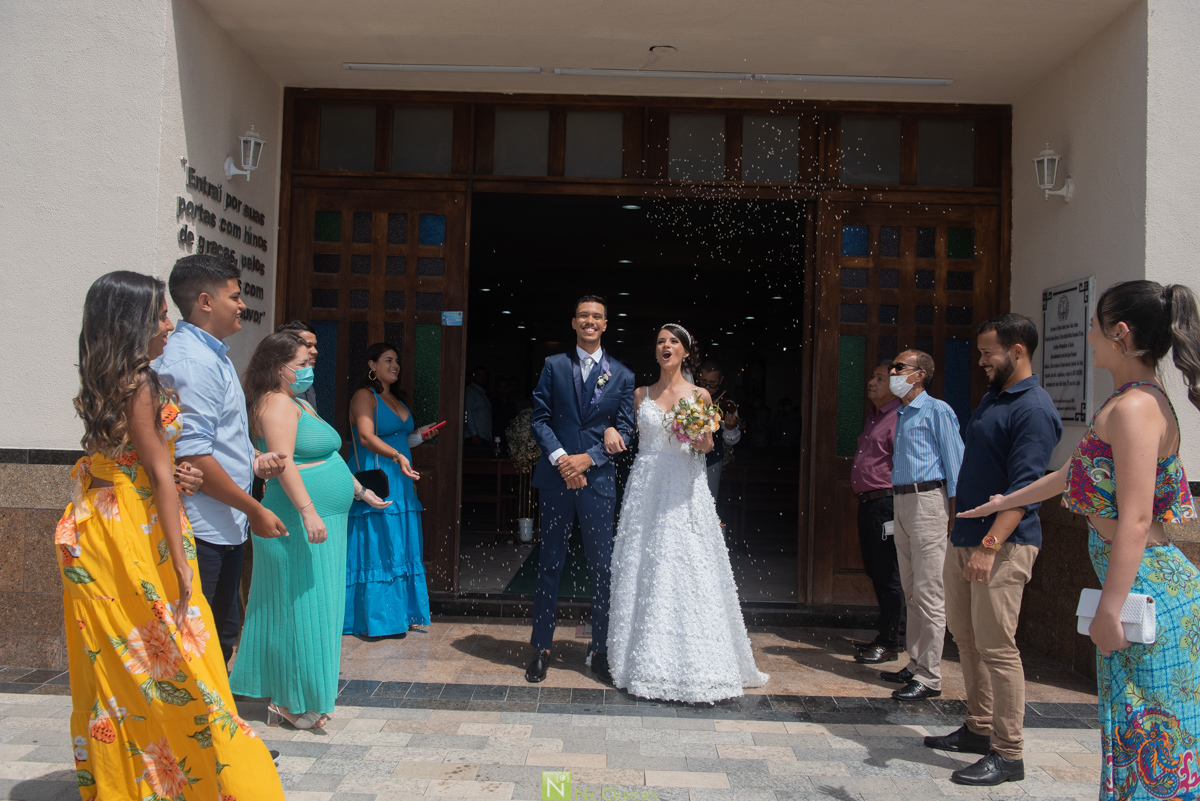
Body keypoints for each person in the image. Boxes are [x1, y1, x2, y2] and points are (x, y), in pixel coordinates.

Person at [959, 281, 1200, 800]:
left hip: (1149, 588)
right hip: (1140, 582)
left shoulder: (1136, 409)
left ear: (1121, 333)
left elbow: (1135, 520)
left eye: (1094, 327)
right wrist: (1000, 503)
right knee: (1129, 726)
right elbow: (1071, 474)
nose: (1088, 338)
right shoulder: (1125, 402)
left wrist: (1110, 609)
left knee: (1151, 733)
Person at [59, 271, 284, 800]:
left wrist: (170, 475)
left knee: (116, 658)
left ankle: (135, 776)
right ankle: (201, 769)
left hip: (97, 524)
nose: (168, 323)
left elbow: (133, 460)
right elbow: (160, 472)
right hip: (133, 532)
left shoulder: (103, 377)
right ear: (132, 322)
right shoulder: (141, 382)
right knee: (178, 652)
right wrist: (182, 562)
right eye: (160, 315)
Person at [926, 314, 1062, 786]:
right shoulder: (994, 399)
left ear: (1018, 351)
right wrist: (961, 534)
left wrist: (988, 545)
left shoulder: (1034, 409)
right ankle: (979, 728)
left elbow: (1026, 489)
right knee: (966, 640)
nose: (981, 360)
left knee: (998, 649)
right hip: (967, 540)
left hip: (1001, 547)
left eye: (989, 352)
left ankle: (1009, 753)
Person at [229, 332, 387, 729]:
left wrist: (360, 490)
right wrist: (309, 511)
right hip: (297, 521)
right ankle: (289, 701)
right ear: (276, 365)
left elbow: (327, 455)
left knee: (319, 609)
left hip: (325, 518)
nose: (308, 369)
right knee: (299, 610)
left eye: (309, 364)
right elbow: (284, 464)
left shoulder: (297, 401)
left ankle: (303, 695)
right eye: (301, 364)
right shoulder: (276, 403)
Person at [605, 325, 768, 702]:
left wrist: (695, 430)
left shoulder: (700, 394)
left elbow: (709, 444)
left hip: (683, 486)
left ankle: (697, 654)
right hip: (646, 487)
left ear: (686, 351)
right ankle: (637, 656)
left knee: (686, 564)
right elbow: (626, 432)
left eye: (673, 342)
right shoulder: (640, 394)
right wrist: (610, 429)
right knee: (644, 564)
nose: (665, 346)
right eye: (660, 341)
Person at [155, 255, 287, 667]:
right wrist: (255, 508)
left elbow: (223, 437)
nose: (242, 304)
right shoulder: (192, 363)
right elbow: (194, 454)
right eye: (236, 295)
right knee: (195, 642)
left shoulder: (216, 356)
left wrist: (254, 461)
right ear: (206, 301)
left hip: (226, 524)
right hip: (202, 526)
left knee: (222, 635)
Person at [526, 295, 635, 684]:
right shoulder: (554, 365)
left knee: (601, 568)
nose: (590, 322)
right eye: (583, 316)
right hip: (557, 480)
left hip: (597, 482)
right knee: (550, 563)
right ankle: (541, 647)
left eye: (597, 317)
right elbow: (539, 418)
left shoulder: (621, 375)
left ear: (606, 325)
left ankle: (601, 649)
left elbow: (625, 430)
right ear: (574, 322)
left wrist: (587, 459)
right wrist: (561, 459)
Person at [881, 349, 964, 701]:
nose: (893, 372)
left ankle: (930, 675)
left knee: (930, 590)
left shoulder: (937, 410)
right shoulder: (902, 413)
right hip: (901, 500)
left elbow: (956, 466)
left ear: (920, 374)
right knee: (911, 587)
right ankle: (915, 662)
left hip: (928, 501)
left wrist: (957, 517)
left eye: (900, 367)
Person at [345, 342, 439, 638]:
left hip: (400, 476)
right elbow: (365, 436)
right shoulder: (364, 396)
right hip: (379, 474)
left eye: (397, 360)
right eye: (388, 360)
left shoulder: (397, 399)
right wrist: (397, 457)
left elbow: (402, 440)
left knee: (398, 541)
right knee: (378, 542)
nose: (395, 365)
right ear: (372, 365)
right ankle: (375, 618)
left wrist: (420, 437)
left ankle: (401, 612)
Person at [850, 360, 906, 665]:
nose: (871, 381)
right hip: (869, 503)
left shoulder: (899, 418)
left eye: (880, 378)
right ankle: (889, 635)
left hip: (886, 503)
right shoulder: (875, 416)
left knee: (888, 574)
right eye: (872, 375)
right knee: (876, 570)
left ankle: (891, 641)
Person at [695, 360, 742, 503]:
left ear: (720, 380)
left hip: (712, 461)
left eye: (712, 383)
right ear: (697, 377)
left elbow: (731, 441)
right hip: (687, 459)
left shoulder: (727, 405)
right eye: (704, 382)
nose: (708, 388)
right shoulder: (689, 398)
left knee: (708, 501)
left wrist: (729, 429)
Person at [276, 320, 319, 406]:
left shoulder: (305, 383)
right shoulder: (275, 393)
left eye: (315, 346)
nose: (315, 351)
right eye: (308, 346)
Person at [464, 365, 492, 448]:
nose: (482, 378)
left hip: (483, 437)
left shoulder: (482, 393)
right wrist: (474, 433)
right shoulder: (471, 391)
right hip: (474, 438)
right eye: (479, 375)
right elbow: (467, 412)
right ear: (473, 376)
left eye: (484, 375)